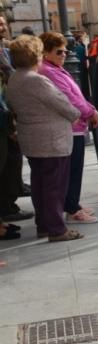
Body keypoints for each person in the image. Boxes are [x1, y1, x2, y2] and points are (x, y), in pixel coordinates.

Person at [5, 35, 84, 241]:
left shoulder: (14, 78)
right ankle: (57, 229)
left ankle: (44, 225)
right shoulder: (36, 80)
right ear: (35, 56)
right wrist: (76, 114)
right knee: (54, 187)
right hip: (51, 140)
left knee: (40, 185)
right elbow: (62, 104)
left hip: (32, 139)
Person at [39, 32, 98, 224]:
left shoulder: (55, 68)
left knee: (73, 169)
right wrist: (90, 112)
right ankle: (72, 209)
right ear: (46, 52)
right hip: (69, 126)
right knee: (71, 170)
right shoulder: (48, 71)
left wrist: (89, 109)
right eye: (59, 52)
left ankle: (72, 203)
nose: (64, 55)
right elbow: (69, 98)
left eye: (65, 51)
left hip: (74, 125)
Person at [0, 15, 31, 226]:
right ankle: (5, 208)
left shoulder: (4, 48)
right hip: (2, 114)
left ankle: (9, 204)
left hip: (6, 112)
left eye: (3, 23)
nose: (2, 26)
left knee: (12, 160)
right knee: (5, 163)